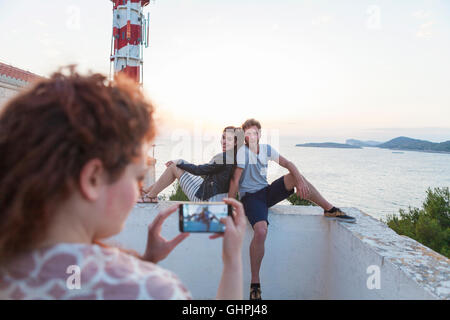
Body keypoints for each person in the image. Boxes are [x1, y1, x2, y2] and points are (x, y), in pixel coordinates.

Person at [0, 68, 246, 300]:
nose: (137, 189)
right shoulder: (153, 289)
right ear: (93, 179)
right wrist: (232, 262)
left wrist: (144, 260)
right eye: (138, 177)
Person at [228, 118, 356, 300]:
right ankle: (255, 283)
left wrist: (300, 180)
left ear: (260, 134)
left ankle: (329, 209)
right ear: (245, 137)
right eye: (248, 134)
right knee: (261, 231)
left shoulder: (266, 150)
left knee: (295, 176)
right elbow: (234, 180)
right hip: (251, 198)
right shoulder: (242, 153)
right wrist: (228, 205)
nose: (252, 136)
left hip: (266, 192)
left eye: (255, 133)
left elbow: (288, 164)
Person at [140, 126, 243, 203]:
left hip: (206, 200)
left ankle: (151, 196)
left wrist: (180, 163)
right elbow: (205, 171)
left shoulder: (224, 158)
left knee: (173, 166)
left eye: (229, 139)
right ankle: (146, 192)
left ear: (235, 143)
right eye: (223, 138)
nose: (224, 142)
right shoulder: (236, 157)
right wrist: (181, 162)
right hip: (214, 195)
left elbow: (198, 171)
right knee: (179, 164)